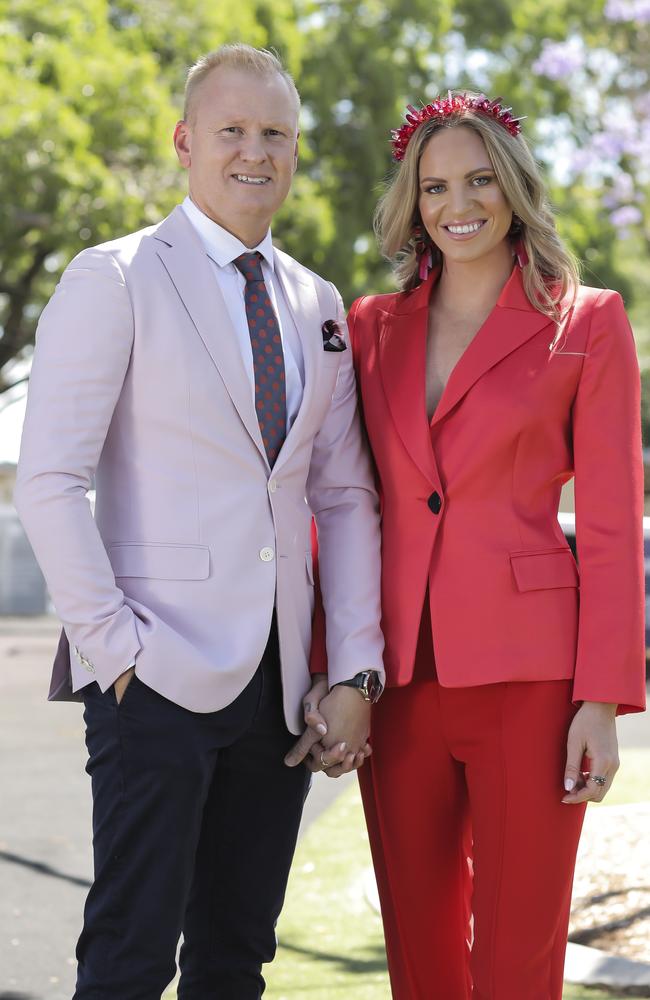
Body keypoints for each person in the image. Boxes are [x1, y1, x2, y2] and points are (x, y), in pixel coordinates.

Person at [14, 44, 384, 1000]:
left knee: (236, 961)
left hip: (281, 690)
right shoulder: (115, 276)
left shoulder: (319, 303)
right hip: (154, 673)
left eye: (276, 135)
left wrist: (353, 670)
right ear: (186, 142)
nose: (255, 152)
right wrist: (115, 651)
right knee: (131, 958)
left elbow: (341, 498)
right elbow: (50, 479)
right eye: (232, 131)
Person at [345, 92, 646, 999]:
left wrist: (602, 697)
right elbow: (346, 505)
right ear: (413, 199)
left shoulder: (587, 321)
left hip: (532, 678)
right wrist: (341, 668)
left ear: (513, 188)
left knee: (518, 955)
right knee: (421, 953)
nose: (457, 204)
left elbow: (609, 523)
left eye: (479, 179)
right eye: (434, 186)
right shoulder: (368, 327)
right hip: (400, 679)